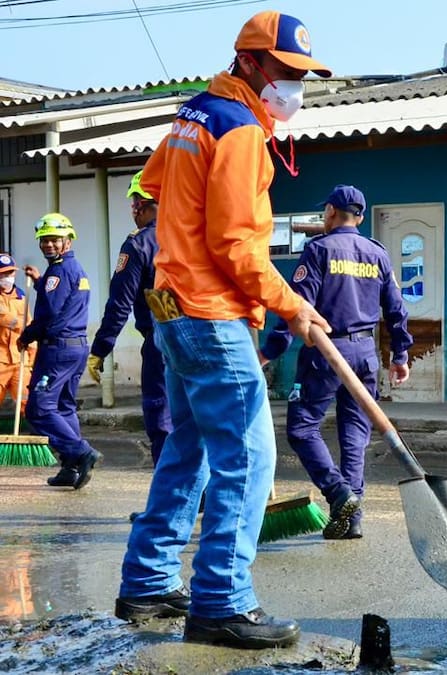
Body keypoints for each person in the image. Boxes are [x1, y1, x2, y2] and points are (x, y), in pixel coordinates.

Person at [115, 10, 332, 650]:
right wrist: (291, 303)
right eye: (287, 71)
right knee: (248, 455)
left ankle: (150, 580)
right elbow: (236, 243)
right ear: (251, 62)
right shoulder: (239, 130)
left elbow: (152, 188)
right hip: (209, 311)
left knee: (192, 448)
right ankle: (221, 601)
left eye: (303, 74)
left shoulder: (195, 113)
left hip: (172, 306)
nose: (295, 84)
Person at [260, 184, 413, 541]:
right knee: (355, 435)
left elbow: (295, 308)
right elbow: (396, 309)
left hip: (326, 353)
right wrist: (401, 354)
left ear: (330, 212)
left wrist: (270, 350)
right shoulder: (377, 253)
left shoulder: (318, 250)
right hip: (365, 355)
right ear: (359, 217)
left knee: (301, 428)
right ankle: (351, 518)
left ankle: (338, 493)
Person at [88, 170, 171, 465]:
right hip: (209, 337)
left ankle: (172, 502)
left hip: (163, 343)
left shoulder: (139, 244)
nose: (132, 210)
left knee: (163, 420)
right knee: (200, 420)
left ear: (141, 204)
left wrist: (99, 350)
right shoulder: (195, 234)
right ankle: (205, 496)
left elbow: (119, 304)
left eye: (134, 203)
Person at [18, 214, 100, 490]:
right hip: (75, 348)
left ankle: (80, 452)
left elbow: (50, 314)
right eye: (44, 240)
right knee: (63, 407)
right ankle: (70, 467)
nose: (48, 245)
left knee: (39, 408)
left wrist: (27, 336)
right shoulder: (72, 269)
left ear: (67, 241)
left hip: (57, 350)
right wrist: (40, 282)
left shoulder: (60, 271)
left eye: (54, 239)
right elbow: (61, 298)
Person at [0, 253, 34, 416]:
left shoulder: (22, 297)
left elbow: (31, 328)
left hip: (20, 360)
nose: (7, 277)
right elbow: (6, 318)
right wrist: (24, 329)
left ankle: (33, 438)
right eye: (3, 274)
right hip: (0, 360)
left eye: (10, 273)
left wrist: (32, 359)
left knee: (28, 401)